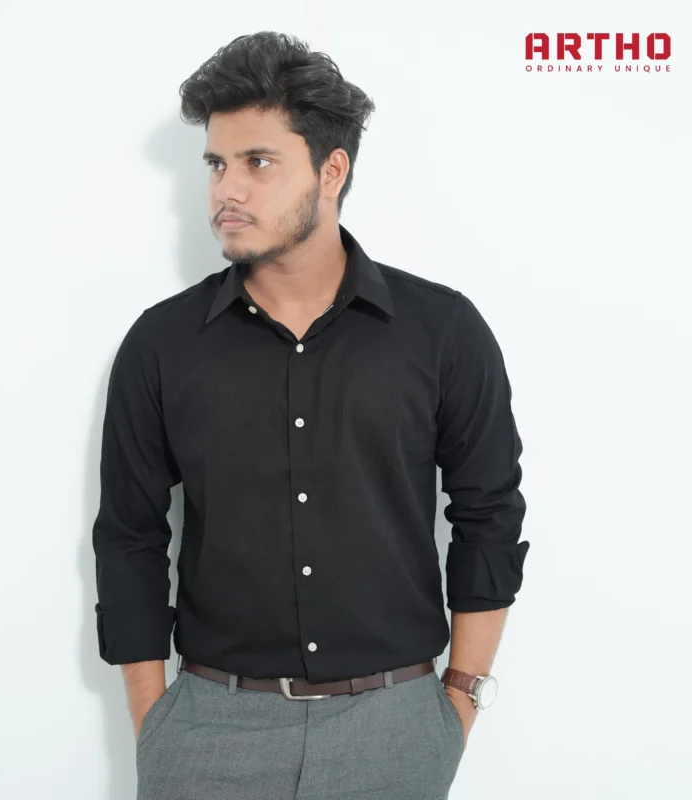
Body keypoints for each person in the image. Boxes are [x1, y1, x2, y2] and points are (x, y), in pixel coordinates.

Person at [92, 30, 529, 800]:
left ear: (333, 170)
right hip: (207, 730)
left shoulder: (442, 331)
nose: (226, 191)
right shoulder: (161, 345)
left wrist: (458, 700)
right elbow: (129, 535)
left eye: (258, 163)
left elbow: (489, 513)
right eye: (217, 164)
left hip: (396, 729)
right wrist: (155, 720)